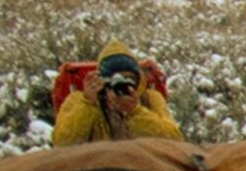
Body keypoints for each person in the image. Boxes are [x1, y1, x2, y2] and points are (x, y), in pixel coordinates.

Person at [52, 43, 185, 144]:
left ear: (138, 78)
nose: (123, 83)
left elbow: (174, 141)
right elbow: (62, 143)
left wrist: (136, 112)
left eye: (130, 78)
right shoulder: (79, 99)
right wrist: (88, 105)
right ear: (103, 79)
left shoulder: (150, 98)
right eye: (116, 78)